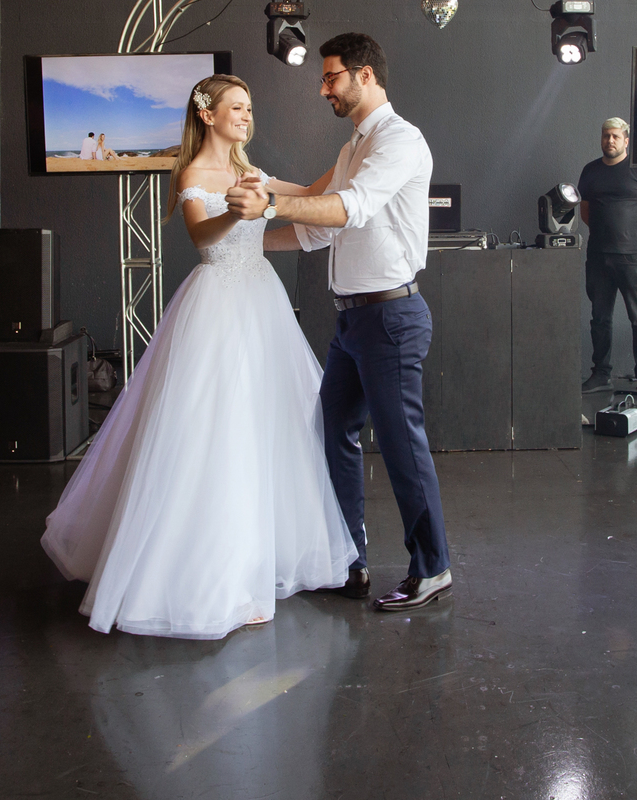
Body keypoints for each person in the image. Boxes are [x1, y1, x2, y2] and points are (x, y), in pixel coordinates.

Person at [40, 74, 358, 639]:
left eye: (250, 107)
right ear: (207, 114)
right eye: (237, 107)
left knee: (267, 426)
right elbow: (204, 238)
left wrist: (352, 155)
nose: (247, 117)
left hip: (260, 301)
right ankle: (212, 575)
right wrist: (238, 214)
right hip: (215, 307)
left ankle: (261, 561)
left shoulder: (250, 172)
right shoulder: (193, 175)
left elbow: (307, 194)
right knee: (212, 431)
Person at [227, 32, 452, 612]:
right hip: (352, 322)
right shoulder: (355, 145)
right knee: (334, 434)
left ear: (365, 76)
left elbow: (349, 208)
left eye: (331, 77)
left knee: (403, 449)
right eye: (324, 77)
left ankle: (433, 568)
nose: (323, 87)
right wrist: (244, 240)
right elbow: (317, 218)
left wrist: (270, 204)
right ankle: (347, 558)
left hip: (391, 318)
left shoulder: (400, 141)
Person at [577, 117, 637, 401]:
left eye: (615, 136)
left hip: (634, 258)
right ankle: (601, 374)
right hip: (599, 257)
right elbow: (586, 213)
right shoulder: (590, 171)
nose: (610, 141)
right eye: (606, 136)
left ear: (626, 140)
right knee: (600, 319)